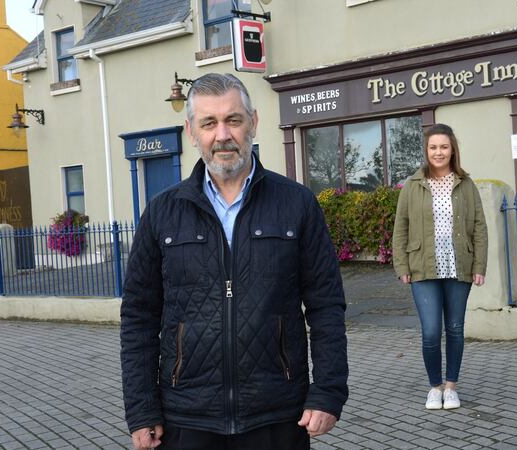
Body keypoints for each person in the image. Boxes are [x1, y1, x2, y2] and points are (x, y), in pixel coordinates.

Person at [120, 73, 348, 450]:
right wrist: (142, 410)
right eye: (209, 123)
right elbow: (139, 317)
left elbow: (326, 305)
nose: (222, 134)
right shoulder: (162, 213)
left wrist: (327, 391)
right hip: (186, 417)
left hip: (277, 413)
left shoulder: (297, 204)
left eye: (234, 120)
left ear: (253, 122)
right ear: (192, 131)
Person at [392, 123, 487, 411]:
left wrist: (479, 264)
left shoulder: (466, 184)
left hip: (460, 266)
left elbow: (479, 227)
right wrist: (402, 265)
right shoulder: (412, 185)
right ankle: (434, 387)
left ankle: (451, 387)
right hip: (423, 266)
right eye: (433, 147)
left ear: (452, 150)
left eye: (444, 147)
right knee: (431, 331)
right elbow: (401, 228)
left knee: (455, 329)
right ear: (426, 150)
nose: (438, 152)